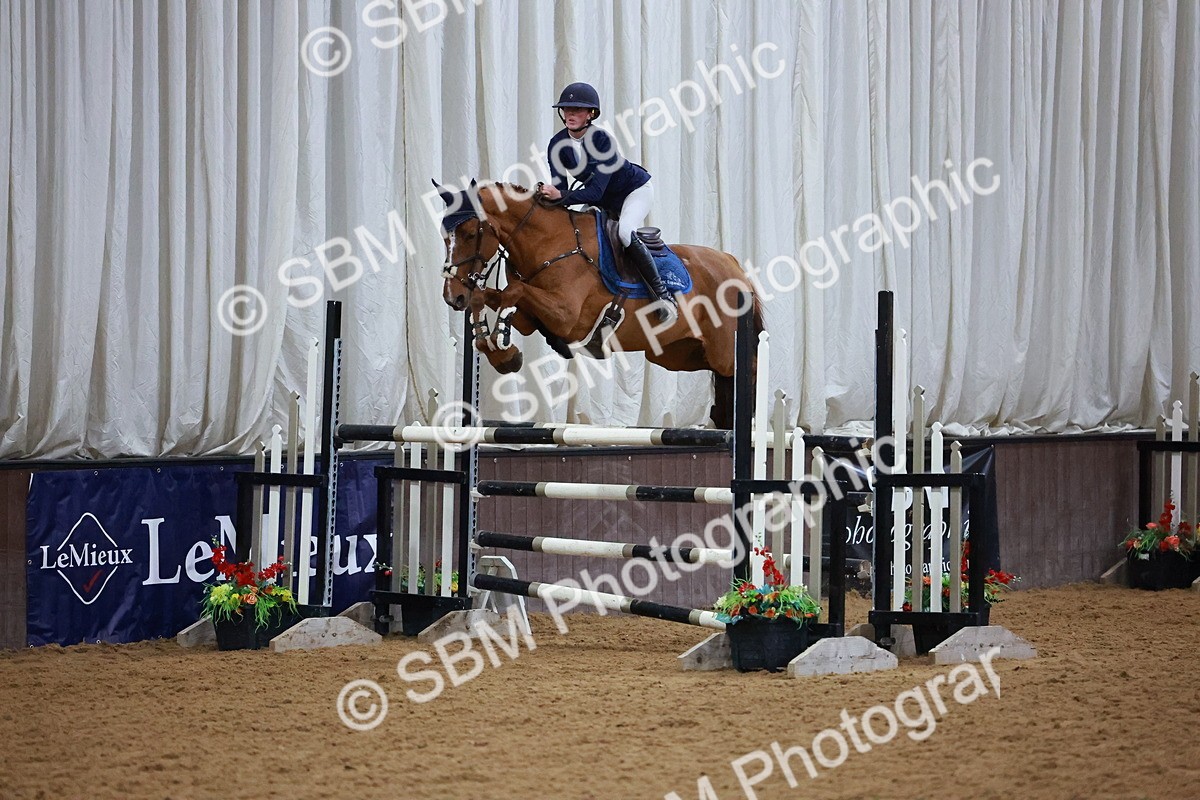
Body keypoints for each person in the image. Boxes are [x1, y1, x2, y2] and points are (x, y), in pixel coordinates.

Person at [539, 82, 678, 324]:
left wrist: (559, 196)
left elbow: (594, 192)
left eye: (578, 110)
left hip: (634, 191)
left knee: (625, 232)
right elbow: (560, 189)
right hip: (602, 198)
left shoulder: (602, 141)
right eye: (567, 109)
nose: (571, 114)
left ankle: (663, 296)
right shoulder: (557, 144)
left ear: (591, 114)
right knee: (577, 234)